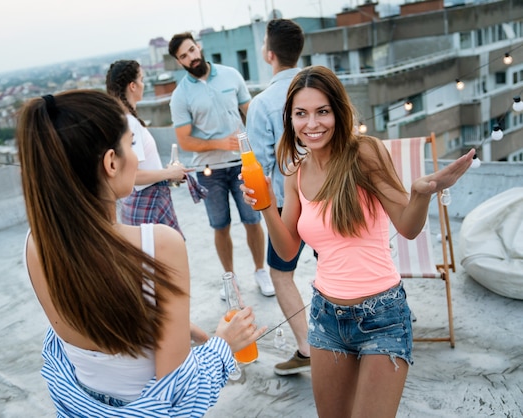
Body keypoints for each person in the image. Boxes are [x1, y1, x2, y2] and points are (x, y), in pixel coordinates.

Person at [242, 66, 475, 417]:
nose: (312, 124)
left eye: (322, 111)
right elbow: (288, 250)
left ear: (338, 111)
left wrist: (420, 193)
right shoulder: (295, 173)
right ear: (289, 119)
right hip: (325, 317)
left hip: (381, 315)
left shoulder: (365, 153)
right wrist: (264, 207)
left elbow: (408, 227)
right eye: (301, 114)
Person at [18, 90, 265, 416]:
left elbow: (86, 322)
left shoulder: (35, 243)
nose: (137, 157)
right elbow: (178, 395)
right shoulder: (158, 245)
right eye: (131, 144)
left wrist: (162, 323)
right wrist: (224, 346)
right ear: (110, 162)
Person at [168, 32, 274, 298]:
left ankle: (261, 271)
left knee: (253, 219)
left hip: (242, 164)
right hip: (209, 172)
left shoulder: (231, 75)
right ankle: (231, 280)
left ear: (199, 47)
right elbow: (185, 141)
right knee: (220, 225)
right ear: (179, 62)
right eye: (184, 56)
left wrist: (260, 147)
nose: (191, 57)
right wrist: (220, 143)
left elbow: (252, 114)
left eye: (192, 50)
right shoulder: (180, 96)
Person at [246, 18, 311, 376]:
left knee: (280, 273)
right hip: (331, 194)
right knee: (338, 265)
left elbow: (260, 168)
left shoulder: (263, 102)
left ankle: (306, 348)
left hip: (289, 205)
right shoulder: (322, 89)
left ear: (270, 54)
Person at [105, 60, 190, 237]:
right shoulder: (130, 123)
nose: (144, 85)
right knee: (168, 256)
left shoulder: (121, 120)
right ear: (132, 86)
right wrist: (169, 173)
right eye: (142, 79)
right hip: (147, 201)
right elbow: (133, 175)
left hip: (142, 200)